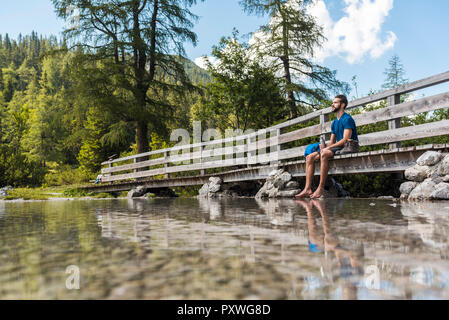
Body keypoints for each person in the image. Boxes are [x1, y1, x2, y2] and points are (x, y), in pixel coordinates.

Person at [296, 95, 358, 199]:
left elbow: (345, 140)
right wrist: (323, 145)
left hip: (348, 146)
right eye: (333, 102)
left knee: (324, 153)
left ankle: (320, 188)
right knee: (309, 157)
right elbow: (332, 142)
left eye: (335, 103)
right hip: (338, 147)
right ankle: (307, 188)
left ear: (343, 105)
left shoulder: (347, 119)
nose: (332, 105)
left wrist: (327, 149)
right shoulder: (334, 122)